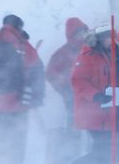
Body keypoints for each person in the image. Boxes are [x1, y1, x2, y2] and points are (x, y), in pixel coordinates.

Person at [70, 24, 119, 163]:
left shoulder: (118, 56)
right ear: (100, 39)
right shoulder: (87, 57)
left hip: (116, 111)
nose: (113, 40)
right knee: (105, 153)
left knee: (117, 151)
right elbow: (78, 81)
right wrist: (96, 95)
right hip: (95, 112)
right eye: (109, 37)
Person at [0, 14, 45, 164]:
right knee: (18, 139)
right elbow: (37, 67)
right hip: (18, 101)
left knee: (1, 138)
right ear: (19, 27)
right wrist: (37, 96)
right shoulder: (22, 45)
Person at [46, 17, 89, 163]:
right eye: (78, 33)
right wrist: (64, 89)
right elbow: (50, 74)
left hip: (94, 97)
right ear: (71, 35)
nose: (81, 36)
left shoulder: (91, 49)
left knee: (94, 129)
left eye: (83, 32)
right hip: (73, 98)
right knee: (75, 127)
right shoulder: (62, 53)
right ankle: (73, 156)